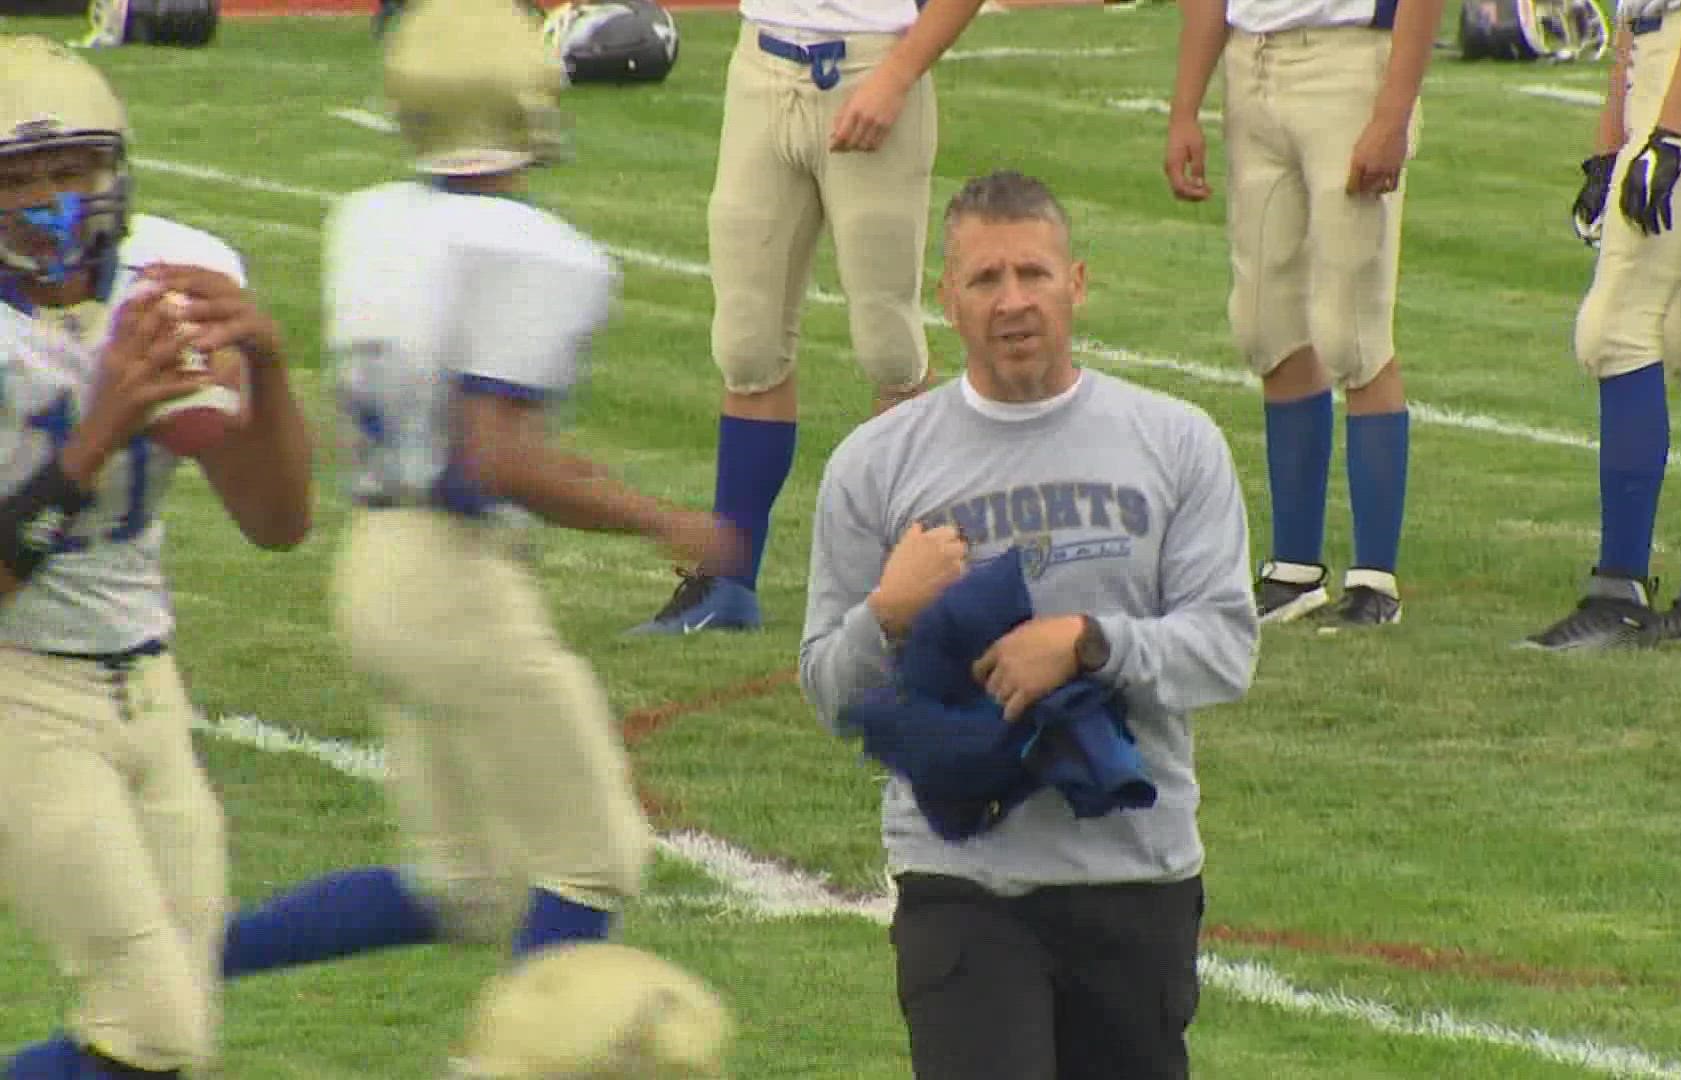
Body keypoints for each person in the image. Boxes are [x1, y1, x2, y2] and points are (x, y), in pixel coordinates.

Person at [206, 0, 743, 1062]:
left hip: (374, 563)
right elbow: (497, 456)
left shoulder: (366, 216)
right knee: (593, 857)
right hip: (455, 579)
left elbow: (463, 430)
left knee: (465, 884)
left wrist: (584, 479)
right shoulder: (541, 250)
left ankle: (184, 960)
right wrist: (662, 518)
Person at [800, 170, 1259, 1080]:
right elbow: (827, 689)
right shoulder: (875, 466)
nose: (1013, 302)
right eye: (985, 280)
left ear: (1076, 283)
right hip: (962, 880)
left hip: (1135, 872)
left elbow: (1226, 648)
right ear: (948, 300)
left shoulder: (1176, 442)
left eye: (1033, 275)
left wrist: (1089, 642)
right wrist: (888, 613)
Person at [0, 34, 315, 1080]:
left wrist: (265, 364)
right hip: (21, 697)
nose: (51, 201)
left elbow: (277, 522)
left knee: (175, 1038)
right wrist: (91, 443)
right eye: (20, 177)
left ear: (115, 169)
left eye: (71, 170)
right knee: (153, 1025)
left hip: (151, 686)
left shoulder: (176, 273)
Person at [624, 0, 995, 635]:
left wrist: (899, 73)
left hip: (871, 65)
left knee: (888, 345)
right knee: (747, 344)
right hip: (760, 67)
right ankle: (728, 580)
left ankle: (913, 574)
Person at [1164, 0, 1443, 629]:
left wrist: (1392, 113)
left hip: (1348, 63)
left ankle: (1375, 579)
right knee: (1266, 327)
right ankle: (1293, 569)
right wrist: (1184, 108)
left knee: (1352, 330)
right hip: (1250, 62)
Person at [1524, 0, 1681, 650]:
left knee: (1617, 325)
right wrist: (1611, 145)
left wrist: (1670, 131)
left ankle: (1619, 593)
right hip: (1674, 53)